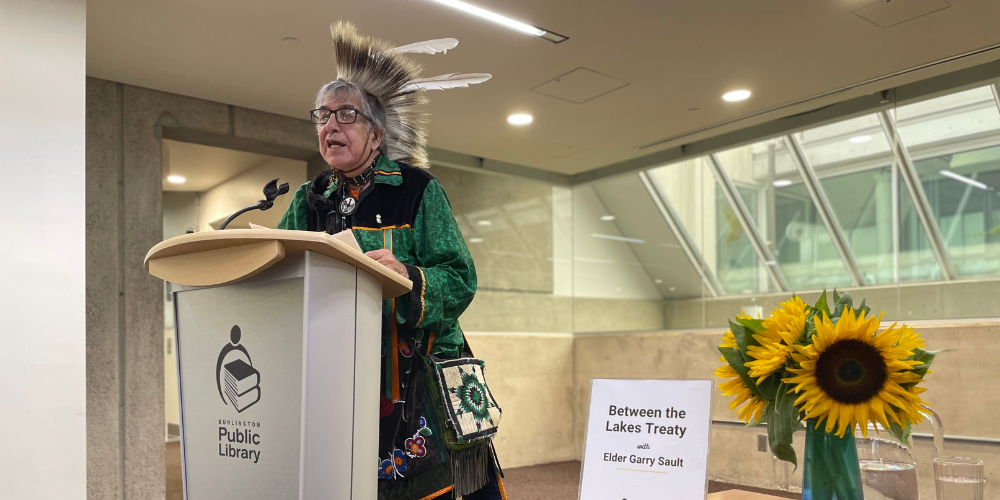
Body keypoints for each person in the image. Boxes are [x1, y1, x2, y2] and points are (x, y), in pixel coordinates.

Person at [277, 22, 504, 500]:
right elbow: (278, 267)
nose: (329, 126)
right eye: (322, 115)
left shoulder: (418, 189)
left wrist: (406, 276)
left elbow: (459, 278)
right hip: (337, 375)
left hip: (418, 380)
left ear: (376, 135)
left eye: (345, 115)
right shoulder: (308, 199)